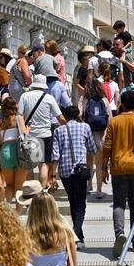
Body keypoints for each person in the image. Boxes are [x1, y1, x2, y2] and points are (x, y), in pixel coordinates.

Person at [101, 88, 134, 259]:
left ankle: (119, 235)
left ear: (122, 104)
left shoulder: (114, 122)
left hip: (118, 167)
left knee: (118, 204)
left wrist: (103, 168)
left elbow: (107, 147)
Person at [50, 105, 97, 246]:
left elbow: (55, 155)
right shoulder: (85, 127)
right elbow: (93, 149)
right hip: (80, 170)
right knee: (80, 204)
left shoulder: (58, 130)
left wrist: (53, 175)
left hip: (65, 171)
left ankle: (79, 236)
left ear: (65, 115)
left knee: (72, 201)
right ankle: (75, 235)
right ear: (78, 115)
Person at [19, 74, 66, 189]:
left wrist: (23, 131)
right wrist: (67, 126)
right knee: (43, 164)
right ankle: (41, 190)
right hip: (45, 135)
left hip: (30, 135)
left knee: (29, 165)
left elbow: (19, 115)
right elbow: (60, 117)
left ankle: (31, 191)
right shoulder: (49, 98)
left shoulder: (24, 96)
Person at [0, 97, 28, 204]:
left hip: (5, 152)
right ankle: (17, 214)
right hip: (20, 152)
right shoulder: (19, 118)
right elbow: (24, 135)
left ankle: (7, 209)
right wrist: (28, 129)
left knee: (9, 185)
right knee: (19, 187)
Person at [83, 77, 111, 199]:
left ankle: (89, 185)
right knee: (99, 164)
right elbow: (110, 118)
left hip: (88, 135)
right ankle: (99, 190)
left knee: (89, 162)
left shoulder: (84, 99)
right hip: (102, 135)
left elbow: (79, 114)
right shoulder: (104, 100)